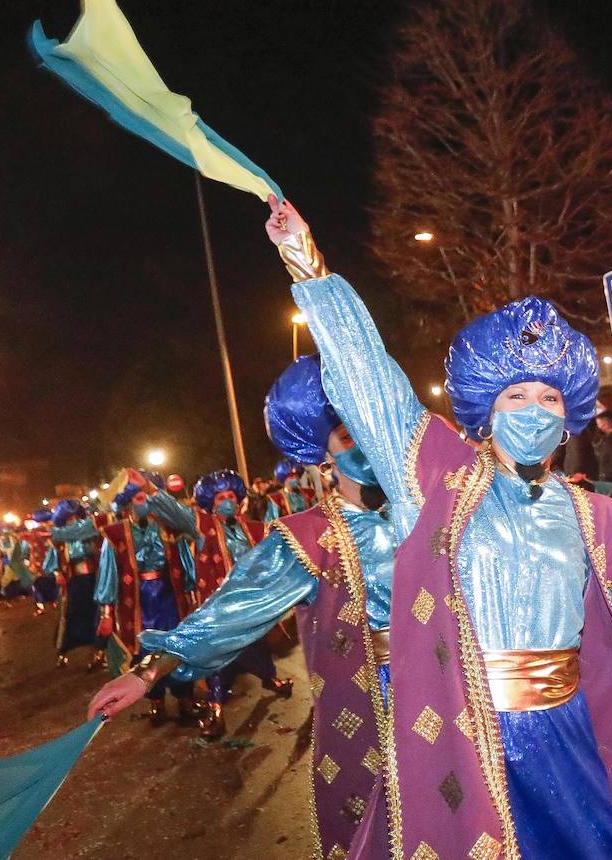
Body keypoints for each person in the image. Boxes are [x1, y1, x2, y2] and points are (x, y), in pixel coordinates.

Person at [226, 198, 612, 858]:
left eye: (549, 395)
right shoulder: (436, 484)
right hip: (466, 738)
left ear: (569, 410)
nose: (534, 409)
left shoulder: (594, 515)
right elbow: (371, 383)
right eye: (516, 394)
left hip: (570, 743)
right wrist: (306, 263)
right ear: (486, 408)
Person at [89, 355, 407, 852]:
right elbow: (229, 613)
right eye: (347, 435)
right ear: (321, 452)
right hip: (371, 707)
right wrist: (146, 671)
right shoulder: (306, 537)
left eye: (369, 427)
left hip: (453, 696)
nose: (363, 442)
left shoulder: (425, 514)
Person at [189, 468, 294, 739]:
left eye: (232, 495)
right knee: (220, 658)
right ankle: (217, 709)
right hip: (222, 610)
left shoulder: (252, 528)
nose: (228, 500)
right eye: (221, 496)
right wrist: (153, 492)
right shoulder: (204, 530)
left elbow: (279, 541)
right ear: (211, 502)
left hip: (252, 605)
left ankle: (270, 679)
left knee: (259, 646)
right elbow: (178, 516)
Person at [94, 470, 202, 724]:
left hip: (170, 595)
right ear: (129, 502)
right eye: (139, 498)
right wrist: (106, 614)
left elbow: (186, 560)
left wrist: (193, 594)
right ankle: (155, 700)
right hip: (138, 602)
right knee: (144, 652)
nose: (143, 504)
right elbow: (107, 574)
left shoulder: (169, 528)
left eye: (147, 498)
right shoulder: (115, 534)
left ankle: (184, 696)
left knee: (176, 646)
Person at [46, 499, 106, 671]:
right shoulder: (59, 540)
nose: (73, 521)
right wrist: (57, 573)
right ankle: (62, 652)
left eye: (75, 517)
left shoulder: (90, 533)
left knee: (97, 615)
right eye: (68, 519)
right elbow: (51, 561)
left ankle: (99, 654)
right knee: (70, 615)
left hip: (94, 580)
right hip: (74, 582)